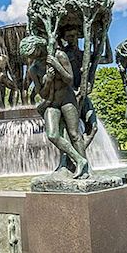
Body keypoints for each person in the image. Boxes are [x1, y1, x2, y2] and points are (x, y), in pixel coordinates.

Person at [20, 35, 90, 179]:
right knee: (52, 134)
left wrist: (57, 65)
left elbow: (70, 80)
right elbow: (42, 93)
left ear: (40, 47)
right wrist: (48, 80)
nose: (32, 58)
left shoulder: (59, 55)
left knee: (74, 134)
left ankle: (84, 170)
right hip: (51, 103)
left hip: (67, 99)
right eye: (29, 56)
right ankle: (79, 160)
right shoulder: (33, 69)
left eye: (33, 54)